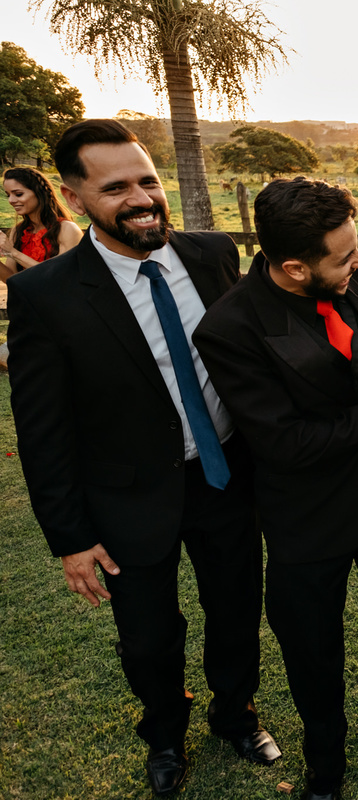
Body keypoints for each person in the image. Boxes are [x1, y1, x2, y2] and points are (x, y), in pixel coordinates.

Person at [6, 119, 278, 796]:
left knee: (238, 610)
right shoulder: (47, 295)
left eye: (148, 180)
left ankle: (234, 713)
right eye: (117, 187)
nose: (142, 197)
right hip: (125, 497)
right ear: (73, 199)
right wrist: (70, 538)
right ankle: (164, 734)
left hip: (225, 478)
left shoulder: (214, 254)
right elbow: (42, 429)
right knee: (150, 639)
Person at [193, 177, 358, 800]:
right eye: (346, 256)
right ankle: (325, 772)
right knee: (313, 654)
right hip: (307, 513)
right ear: (296, 267)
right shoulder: (229, 329)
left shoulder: (349, 277)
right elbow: (286, 444)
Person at [1, 166, 83, 279]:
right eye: (8, 195)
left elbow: (60, 278)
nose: (11, 200)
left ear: (39, 192)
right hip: (26, 297)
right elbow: (11, 279)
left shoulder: (67, 229)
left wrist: (13, 253)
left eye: (18, 194)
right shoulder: (18, 231)